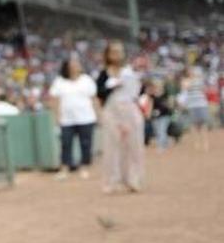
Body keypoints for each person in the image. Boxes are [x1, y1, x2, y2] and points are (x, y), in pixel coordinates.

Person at [96, 41, 145, 194]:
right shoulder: (104, 73)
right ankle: (111, 180)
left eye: (120, 51)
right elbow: (100, 93)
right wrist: (112, 86)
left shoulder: (129, 72)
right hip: (112, 112)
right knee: (112, 147)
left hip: (130, 110)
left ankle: (133, 179)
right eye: (114, 52)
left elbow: (138, 92)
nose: (117, 55)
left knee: (134, 146)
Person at [48, 54, 98, 179]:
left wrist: (98, 114)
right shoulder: (60, 81)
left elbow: (94, 98)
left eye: (77, 65)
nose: (76, 67)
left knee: (86, 144)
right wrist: (57, 116)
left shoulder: (86, 80)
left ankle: (84, 167)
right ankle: (64, 168)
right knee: (65, 144)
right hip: (67, 119)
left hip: (86, 118)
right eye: (73, 65)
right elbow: (54, 100)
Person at [178, 66, 211, 152]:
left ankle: (205, 143)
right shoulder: (185, 80)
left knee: (204, 124)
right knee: (194, 125)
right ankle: (196, 143)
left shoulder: (199, 79)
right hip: (192, 105)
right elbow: (185, 88)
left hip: (202, 103)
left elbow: (204, 89)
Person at [145, 78, 175, 151]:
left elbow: (170, 103)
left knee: (162, 130)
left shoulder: (165, 94)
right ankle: (166, 141)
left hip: (165, 116)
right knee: (157, 131)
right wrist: (148, 114)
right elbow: (150, 105)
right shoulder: (152, 95)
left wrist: (169, 106)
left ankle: (161, 146)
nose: (157, 87)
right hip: (155, 117)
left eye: (158, 86)